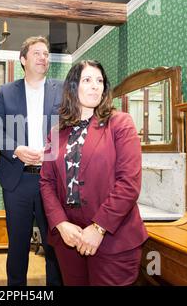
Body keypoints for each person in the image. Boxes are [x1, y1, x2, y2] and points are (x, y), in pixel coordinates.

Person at [39, 60, 148, 286]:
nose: (95, 86)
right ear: (72, 88)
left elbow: (129, 183)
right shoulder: (56, 132)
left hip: (112, 239)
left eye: (99, 81)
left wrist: (99, 228)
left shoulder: (120, 123)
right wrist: (60, 223)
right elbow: (46, 182)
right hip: (69, 240)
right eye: (87, 80)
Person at [0, 36, 62, 286]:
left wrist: (54, 149)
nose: (43, 57)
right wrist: (15, 149)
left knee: (54, 245)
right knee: (18, 245)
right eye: (37, 53)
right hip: (16, 179)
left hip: (51, 180)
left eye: (46, 53)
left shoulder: (62, 89)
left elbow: (71, 128)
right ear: (23, 60)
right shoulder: (6, 91)